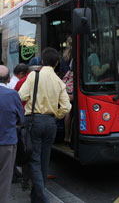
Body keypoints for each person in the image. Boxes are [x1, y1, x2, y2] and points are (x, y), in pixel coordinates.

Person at [18, 47, 72, 203]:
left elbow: (21, 95)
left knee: (34, 160)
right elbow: (67, 107)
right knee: (44, 160)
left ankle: (42, 197)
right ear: (56, 63)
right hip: (50, 122)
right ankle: (36, 197)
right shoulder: (59, 81)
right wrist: (57, 114)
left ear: (42, 61)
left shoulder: (33, 76)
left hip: (33, 120)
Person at [14, 56, 42, 191]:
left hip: (26, 119)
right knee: (39, 151)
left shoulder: (21, 82)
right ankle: (39, 181)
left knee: (27, 150)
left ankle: (26, 180)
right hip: (43, 118)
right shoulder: (47, 80)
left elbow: (16, 100)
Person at [0, 65, 24, 203]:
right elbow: (21, 119)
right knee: (4, 178)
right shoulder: (12, 95)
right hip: (7, 142)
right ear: (9, 79)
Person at [62, 59, 73, 144]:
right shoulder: (79, 72)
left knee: (68, 112)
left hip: (66, 93)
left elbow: (63, 82)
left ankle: (66, 136)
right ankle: (70, 137)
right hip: (72, 94)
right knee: (73, 114)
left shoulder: (69, 72)